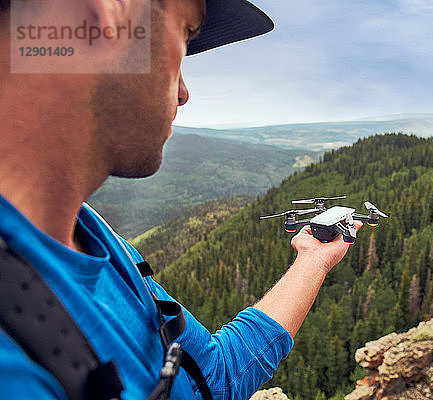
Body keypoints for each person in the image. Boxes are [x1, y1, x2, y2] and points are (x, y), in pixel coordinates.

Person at [0, 0, 360, 398]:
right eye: (186, 33)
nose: (184, 92)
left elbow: (215, 378)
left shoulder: (92, 235)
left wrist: (313, 260)